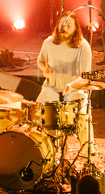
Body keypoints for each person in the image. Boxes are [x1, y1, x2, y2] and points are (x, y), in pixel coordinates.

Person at [37, 13, 95, 155]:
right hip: (52, 88)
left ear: (76, 28)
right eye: (62, 24)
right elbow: (40, 61)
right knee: (38, 114)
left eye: (69, 25)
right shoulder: (48, 42)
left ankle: (88, 151)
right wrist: (45, 70)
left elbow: (85, 75)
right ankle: (46, 150)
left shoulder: (83, 46)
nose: (65, 27)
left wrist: (72, 85)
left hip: (75, 89)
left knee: (83, 116)